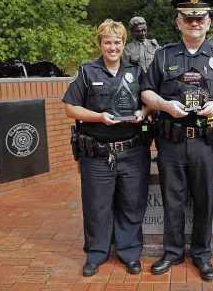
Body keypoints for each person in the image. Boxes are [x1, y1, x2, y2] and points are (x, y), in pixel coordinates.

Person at [141, 0, 213, 282]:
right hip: (171, 141)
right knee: (172, 199)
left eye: (199, 18)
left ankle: (202, 255)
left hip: (205, 142)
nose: (194, 22)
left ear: (208, 22)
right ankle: (172, 253)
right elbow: (146, 91)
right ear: (179, 22)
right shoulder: (163, 55)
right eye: (188, 18)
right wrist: (163, 105)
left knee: (204, 199)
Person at [62, 19, 151, 277]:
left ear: (124, 44)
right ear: (100, 44)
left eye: (117, 42)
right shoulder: (88, 71)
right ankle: (96, 253)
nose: (112, 47)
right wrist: (98, 117)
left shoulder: (136, 71)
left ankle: (130, 253)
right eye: (107, 42)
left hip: (133, 152)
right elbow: (70, 108)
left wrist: (142, 113)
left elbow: (148, 103)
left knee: (132, 203)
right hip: (98, 153)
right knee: (97, 206)